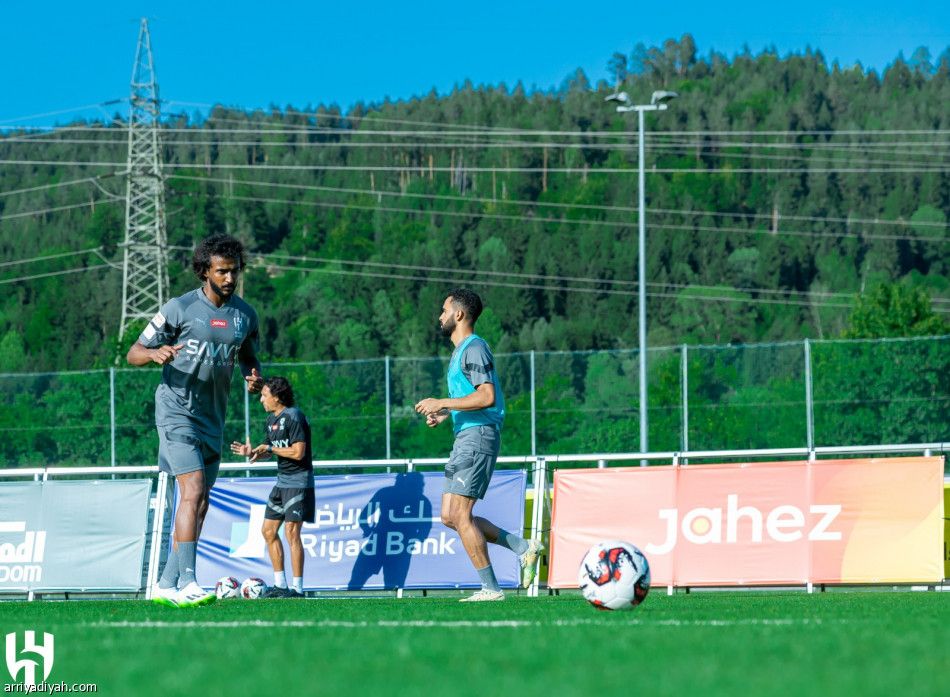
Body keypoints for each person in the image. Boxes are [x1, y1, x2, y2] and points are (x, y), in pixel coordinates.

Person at [127, 233, 263, 608]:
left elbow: (250, 357)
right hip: (176, 411)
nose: (230, 279)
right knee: (192, 489)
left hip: (212, 419)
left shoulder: (245, 316)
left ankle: (166, 581)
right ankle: (188, 580)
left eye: (234, 271)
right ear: (204, 271)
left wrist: (254, 377)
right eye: (222, 271)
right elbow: (133, 353)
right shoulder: (179, 309)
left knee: (200, 500)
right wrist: (155, 354)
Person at [414, 288, 543, 601]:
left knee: (460, 513)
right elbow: (474, 398)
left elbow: (487, 396)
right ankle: (524, 548)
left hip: (478, 435)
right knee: (449, 515)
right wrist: (446, 412)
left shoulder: (474, 348)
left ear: (459, 314)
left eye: (444, 310)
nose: (440, 316)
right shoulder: (461, 352)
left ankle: (491, 589)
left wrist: (441, 400)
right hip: (466, 435)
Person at [230, 376, 313, 599]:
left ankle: (297, 589)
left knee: (291, 533)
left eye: (264, 395)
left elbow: (298, 452)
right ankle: (281, 585)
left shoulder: (294, 416)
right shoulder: (270, 420)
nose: (261, 400)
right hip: (281, 482)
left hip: (298, 482)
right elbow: (270, 450)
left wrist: (270, 449)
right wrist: (254, 453)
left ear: (277, 397)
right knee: (267, 531)